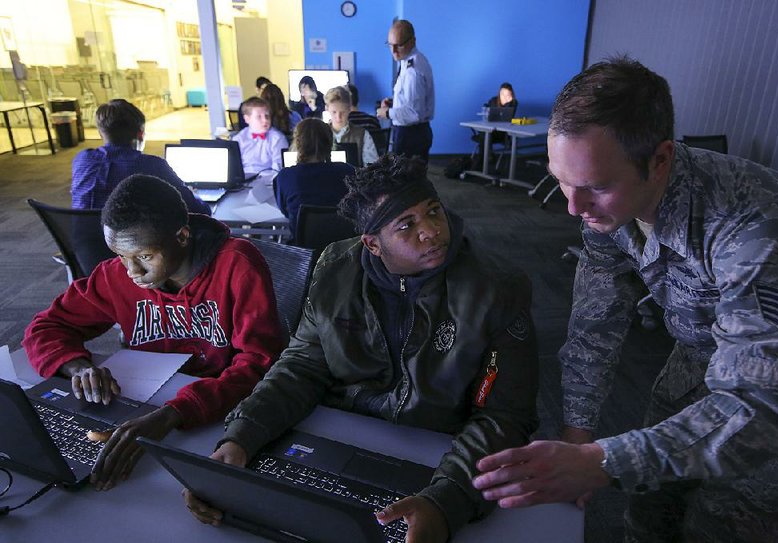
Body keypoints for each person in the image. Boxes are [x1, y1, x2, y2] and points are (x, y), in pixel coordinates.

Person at [473, 56, 778, 542]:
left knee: (721, 525)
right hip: (693, 364)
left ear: (660, 160)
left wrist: (601, 462)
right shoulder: (606, 205)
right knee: (649, 510)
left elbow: (759, 405)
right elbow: (595, 324)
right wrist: (579, 437)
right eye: (561, 180)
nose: (572, 207)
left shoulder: (755, 231)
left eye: (594, 187)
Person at [183, 154, 539, 542]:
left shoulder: (496, 288)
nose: (433, 231)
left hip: (439, 451)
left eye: (434, 211)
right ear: (372, 244)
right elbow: (302, 367)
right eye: (407, 225)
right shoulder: (334, 267)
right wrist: (241, 436)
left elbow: (504, 415)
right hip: (339, 438)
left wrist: (447, 499)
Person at [23, 175, 284, 491]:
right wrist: (79, 366)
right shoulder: (117, 275)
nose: (132, 272)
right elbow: (45, 328)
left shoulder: (237, 264)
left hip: (221, 412)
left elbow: (258, 365)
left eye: (144, 257)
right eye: (120, 256)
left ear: (183, 236)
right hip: (143, 405)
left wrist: (174, 414)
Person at [71, 99, 210, 215]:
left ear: (101, 134)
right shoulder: (151, 165)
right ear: (140, 134)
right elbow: (198, 210)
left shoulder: (82, 159)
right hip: (129, 246)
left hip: (82, 245)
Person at [273, 117, 355, 235]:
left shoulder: (285, 176)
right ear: (330, 142)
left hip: (303, 251)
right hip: (343, 248)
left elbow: (286, 212)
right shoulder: (348, 171)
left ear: (297, 143)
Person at [377, 20, 435, 162]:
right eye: (390, 45)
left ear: (412, 41)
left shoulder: (412, 71)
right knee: (410, 179)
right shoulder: (409, 59)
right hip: (414, 132)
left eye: (399, 45)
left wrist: (387, 112)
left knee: (405, 180)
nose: (394, 51)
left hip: (411, 134)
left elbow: (414, 113)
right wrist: (394, 102)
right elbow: (411, 98)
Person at [324, 85, 379, 166]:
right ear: (327, 109)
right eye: (334, 112)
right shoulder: (319, 134)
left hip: (355, 177)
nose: (338, 118)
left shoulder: (362, 135)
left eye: (342, 112)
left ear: (350, 109)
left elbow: (372, 167)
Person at [232, 96, 288, 174]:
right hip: (244, 180)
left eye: (267, 116)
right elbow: (234, 167)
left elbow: (278, 167)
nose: (265, 120)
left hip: (269, 180)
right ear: (247, 119)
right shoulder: (239, 139)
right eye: (259, 117)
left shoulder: (277, 138)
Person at [471, 82, 519, 170]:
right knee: (484, 134)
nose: (504, 96)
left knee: (483, 136)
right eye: (502, 93)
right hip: (490, 130)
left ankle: (481, 161)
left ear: (511, 94)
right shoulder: (493, 100)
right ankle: (488, 155)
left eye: (507, 94)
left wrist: (508, 102)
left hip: (502, 132)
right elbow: (486, 111)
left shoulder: (513, 103)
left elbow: (508, 118)